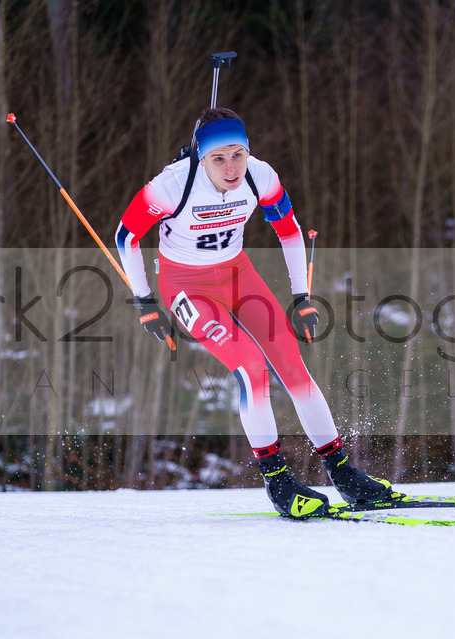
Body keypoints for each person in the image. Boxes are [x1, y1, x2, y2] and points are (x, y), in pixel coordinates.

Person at [115, 107, 393, 517]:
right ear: (200, 156)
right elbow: (127, 236)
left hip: (238, 274)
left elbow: (289, 229)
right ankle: (278, 482)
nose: (231, 167)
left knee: (293, 365)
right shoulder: (171, 186)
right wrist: (143, 301)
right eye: (218, 158)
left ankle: (343, 474)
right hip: (186, 286)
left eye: (238, 154)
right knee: (251, 368)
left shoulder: (260, 175)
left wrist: (301, 297)